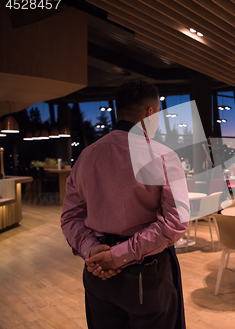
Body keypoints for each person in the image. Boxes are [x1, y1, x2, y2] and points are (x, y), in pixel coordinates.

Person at [60, 79, 190, 329]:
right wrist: (118, 256)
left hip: (97, 272)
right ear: (150, 114)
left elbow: (70, 217)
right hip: (146, 276)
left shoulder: (87, 155)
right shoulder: (162, 156)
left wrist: (93, 250)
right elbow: (174, 224)